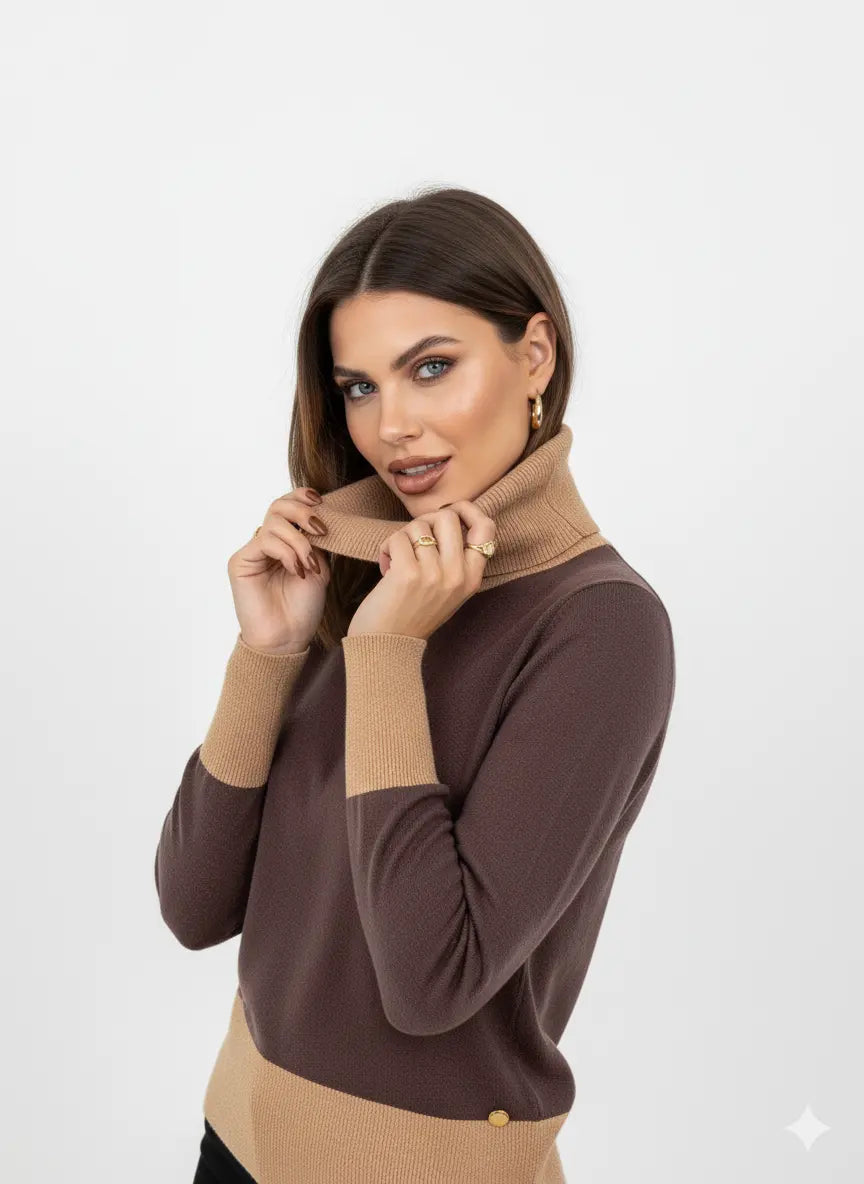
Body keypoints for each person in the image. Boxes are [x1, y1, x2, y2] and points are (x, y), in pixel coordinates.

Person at [155, 186, 676, 1184]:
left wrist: (387, 655)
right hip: (239, 1136)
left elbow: (431, 981)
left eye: (431, 367)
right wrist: (268, 653)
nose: (390, 426)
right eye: (358, 387)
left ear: (535, 355)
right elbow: (192, 904)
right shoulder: (367, 571)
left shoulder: (601, 625)